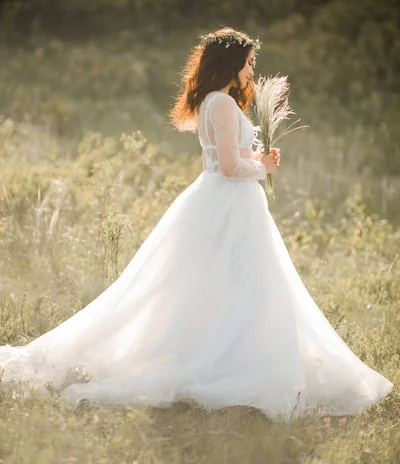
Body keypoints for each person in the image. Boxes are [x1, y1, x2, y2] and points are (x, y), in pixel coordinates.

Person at [0, 27, 393, 421]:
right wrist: (263, 165)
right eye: (249, 63)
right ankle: (228, 363)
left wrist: (255, 157)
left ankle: (229, 353)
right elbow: (228, 166)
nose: (252, 70)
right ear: (231, 63)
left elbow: (227, 157)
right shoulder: (221, 104)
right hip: (230, 203)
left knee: (230, 285)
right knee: (246, 283)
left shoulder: (214, 102)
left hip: (224, 200)